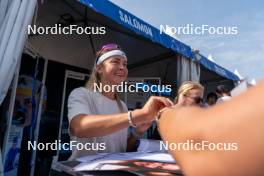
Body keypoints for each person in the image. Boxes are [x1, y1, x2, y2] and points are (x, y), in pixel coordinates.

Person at [67, 43, 173, 160]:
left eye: (125, 64)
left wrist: (137, 132)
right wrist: (140, 114)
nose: (122, 67)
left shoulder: (122, 106)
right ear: (99, 68)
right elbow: (79, 127)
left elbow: (123, 149)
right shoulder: (81, 94)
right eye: (115, 61)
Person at [157, 80, 264, 175]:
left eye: (201, 100)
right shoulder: (166, 113)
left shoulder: (187, 116)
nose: (201, 104)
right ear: (183, 96)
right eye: (198, 100)